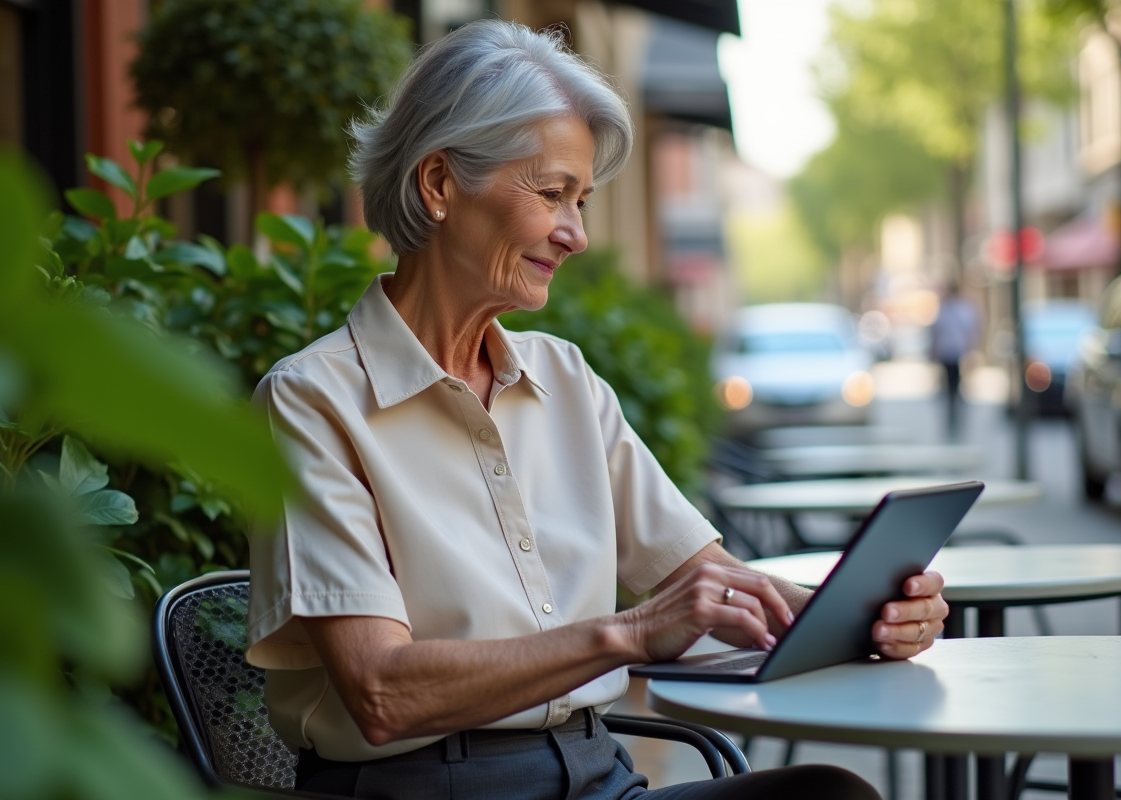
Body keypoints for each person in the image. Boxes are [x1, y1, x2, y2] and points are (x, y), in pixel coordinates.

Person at [246, 20, 948, 800]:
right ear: (439, 184)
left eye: (580, 199)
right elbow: (380, 692)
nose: (576, 233)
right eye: (551, 194)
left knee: (829, 796)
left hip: (596, 774)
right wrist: (631, 633)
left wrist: (860, 616)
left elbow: (713, 584)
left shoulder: (565, 380)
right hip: (424, 788)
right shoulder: (312, 401)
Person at [929, 281, 980, 440]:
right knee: (954, 387)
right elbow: (971, 330)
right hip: (954, 353)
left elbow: (936, 332)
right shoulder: (961, 310)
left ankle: (954, 417)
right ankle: (955, 417)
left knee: (954, 388)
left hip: (953, 353)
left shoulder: (949, 310)